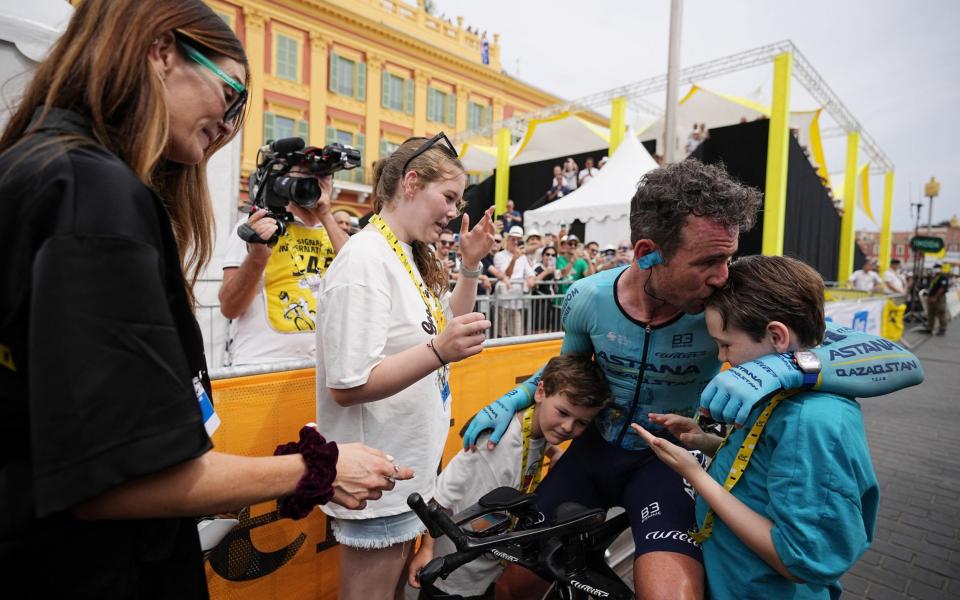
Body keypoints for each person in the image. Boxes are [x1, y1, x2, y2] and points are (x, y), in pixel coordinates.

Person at [0, 1, 407, 596]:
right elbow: (116, 478)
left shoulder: (39, 166)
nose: (229, 121)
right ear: (162, 51)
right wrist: (319, 469)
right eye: (231, 92)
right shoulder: (94, 192)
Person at [462, 160, 923, 599]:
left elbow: (898, 358)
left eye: (730, 258)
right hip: (594, 452)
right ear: (648, 254)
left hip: (665, 464)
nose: (724, 277)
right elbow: (570, 371)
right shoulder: (587, 297)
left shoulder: (725, 302)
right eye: (709, 261)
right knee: (514, 588)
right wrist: (520, 395)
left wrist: (783, 366)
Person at [633, 255, 882, 598]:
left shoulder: (810, 422)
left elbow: (802, 558)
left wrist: (696, 475)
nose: (722, 358)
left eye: (726, 344)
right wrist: (706, 442)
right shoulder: (780, 394)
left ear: (776, 336)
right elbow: (767, 468)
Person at [314, 133, 495, 600]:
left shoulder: (404, 255)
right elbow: (348, 385)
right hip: (377, 481)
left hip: (403, 475)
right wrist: (439, 352)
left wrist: (471, 267)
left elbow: (446, 321)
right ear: (412, 182)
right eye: (449, 197)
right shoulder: (365, 259)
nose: (454, 212)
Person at [406, 354, 611, 599]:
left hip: (486, 569)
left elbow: (528, 449)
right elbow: (440, 497)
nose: (568, 427)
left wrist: (553, 451)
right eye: (562, 412)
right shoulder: (494, 443)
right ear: (540, 391)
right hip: (452, 575)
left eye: (581, 423)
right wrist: (426, 549)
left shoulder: (538, 429)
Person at [219, 177, 348, 365]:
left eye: (324, 174)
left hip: (327, 370)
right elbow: (230, 308)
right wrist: (256, 257)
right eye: (306, 173)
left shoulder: (335, 232)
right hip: (264, 368)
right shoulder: (257, 226)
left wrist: (326, 215)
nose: (315, 181)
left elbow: (358, 275)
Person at [494, 226, 536, 338]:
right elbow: (505, 275)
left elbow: (530, 273)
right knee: (501, 335)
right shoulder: (499, 255)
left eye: (518, 240)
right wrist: (514, 259)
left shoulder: (523, 257)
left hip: (517, 302)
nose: (516, 242)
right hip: (502, 302)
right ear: (507, 240)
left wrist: (531, 279)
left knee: (517, 335)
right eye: (513, 239)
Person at [926, 263, 951, 336]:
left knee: (941, 313)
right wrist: (929, 296)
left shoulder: (943, 277)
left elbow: (942, 288)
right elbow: (932, 287)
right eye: (935, 268)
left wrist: (935, 297)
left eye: (937, 268)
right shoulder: (934, 276)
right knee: (931, 313)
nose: (936, 269)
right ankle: (930, 328)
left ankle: (942, 329)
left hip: (939, 298)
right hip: (931, 297)